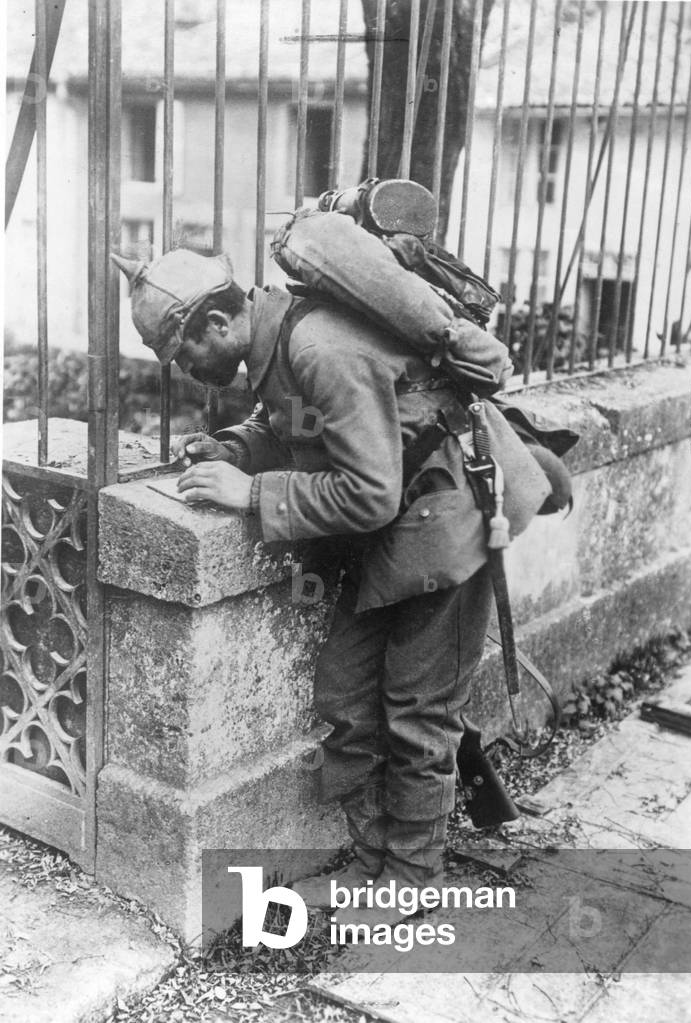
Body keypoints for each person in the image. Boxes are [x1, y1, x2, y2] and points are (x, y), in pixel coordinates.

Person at [111, 245, 552, 921]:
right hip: (396, 528)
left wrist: (253, 491)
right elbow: (300, 425)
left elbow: (368, 493)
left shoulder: (319, 347)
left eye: (182, 354)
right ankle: (375, 861)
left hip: (446, 521)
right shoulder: (276, 337)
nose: (188, 373)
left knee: (416, 710)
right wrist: (233, 447)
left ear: (213, 327)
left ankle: (410, 877)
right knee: (346, 694)